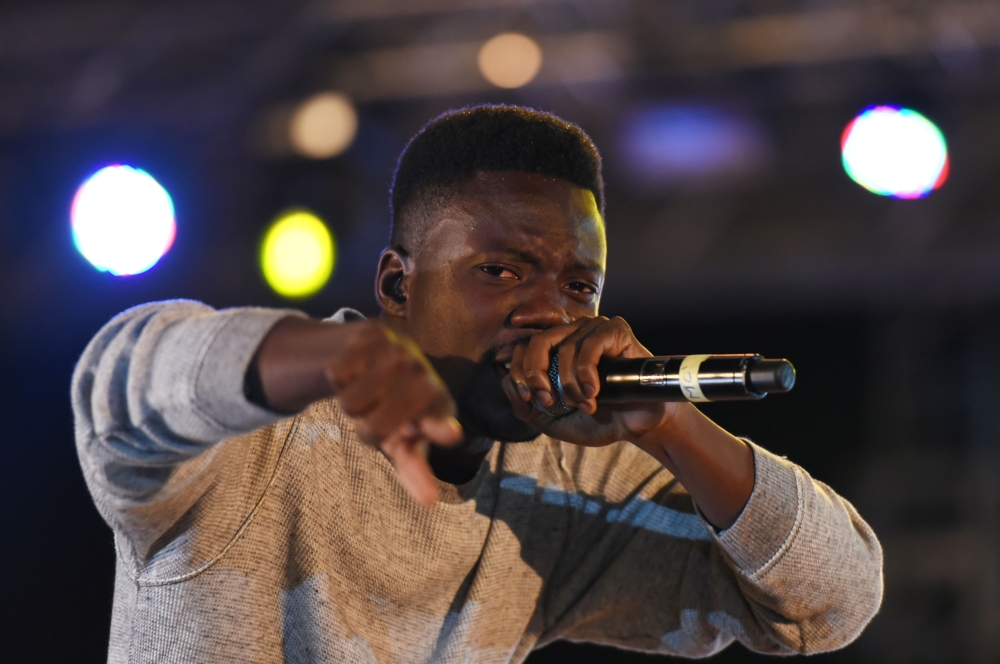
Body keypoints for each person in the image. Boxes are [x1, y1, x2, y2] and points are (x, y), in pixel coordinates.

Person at [73, 105, 883, 664]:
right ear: (397, 287)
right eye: (501, 271)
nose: (547, 313)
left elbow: (833, 604)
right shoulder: (256, 436)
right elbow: (126, 384)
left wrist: (670, 426)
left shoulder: (564, 485)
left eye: (578, 288)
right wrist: (329, 356)